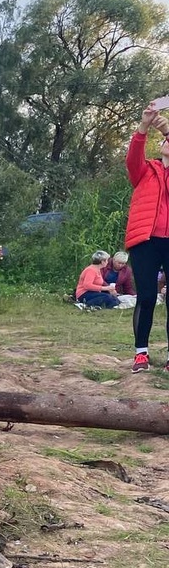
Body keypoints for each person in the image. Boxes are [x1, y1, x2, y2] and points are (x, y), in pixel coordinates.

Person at [123, 102, 169, 373]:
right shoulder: (145, 171)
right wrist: (144, 124)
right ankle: (141, 353)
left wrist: (164, 126)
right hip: (145, 241)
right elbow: (132, 157)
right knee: (147, 296)